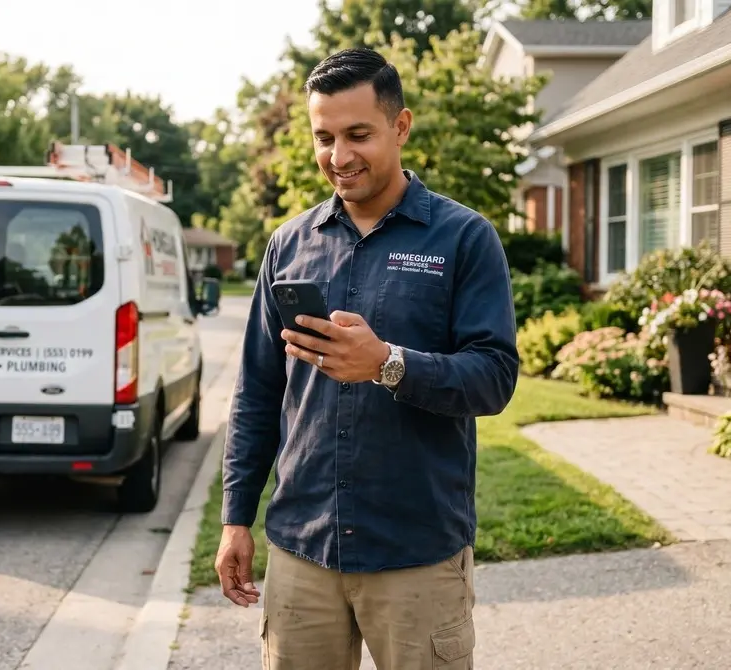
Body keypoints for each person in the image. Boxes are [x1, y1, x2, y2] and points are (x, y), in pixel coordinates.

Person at [214, 47, 519, 670]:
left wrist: (388, 363)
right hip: (302, 550)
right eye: (323, 137)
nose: (338, 156)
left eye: (358, 134)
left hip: (417, 552)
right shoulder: (289, 245)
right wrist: (235, 517)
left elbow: (494, 378)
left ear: (400, 127)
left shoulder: (464, 238)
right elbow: (257, 392)